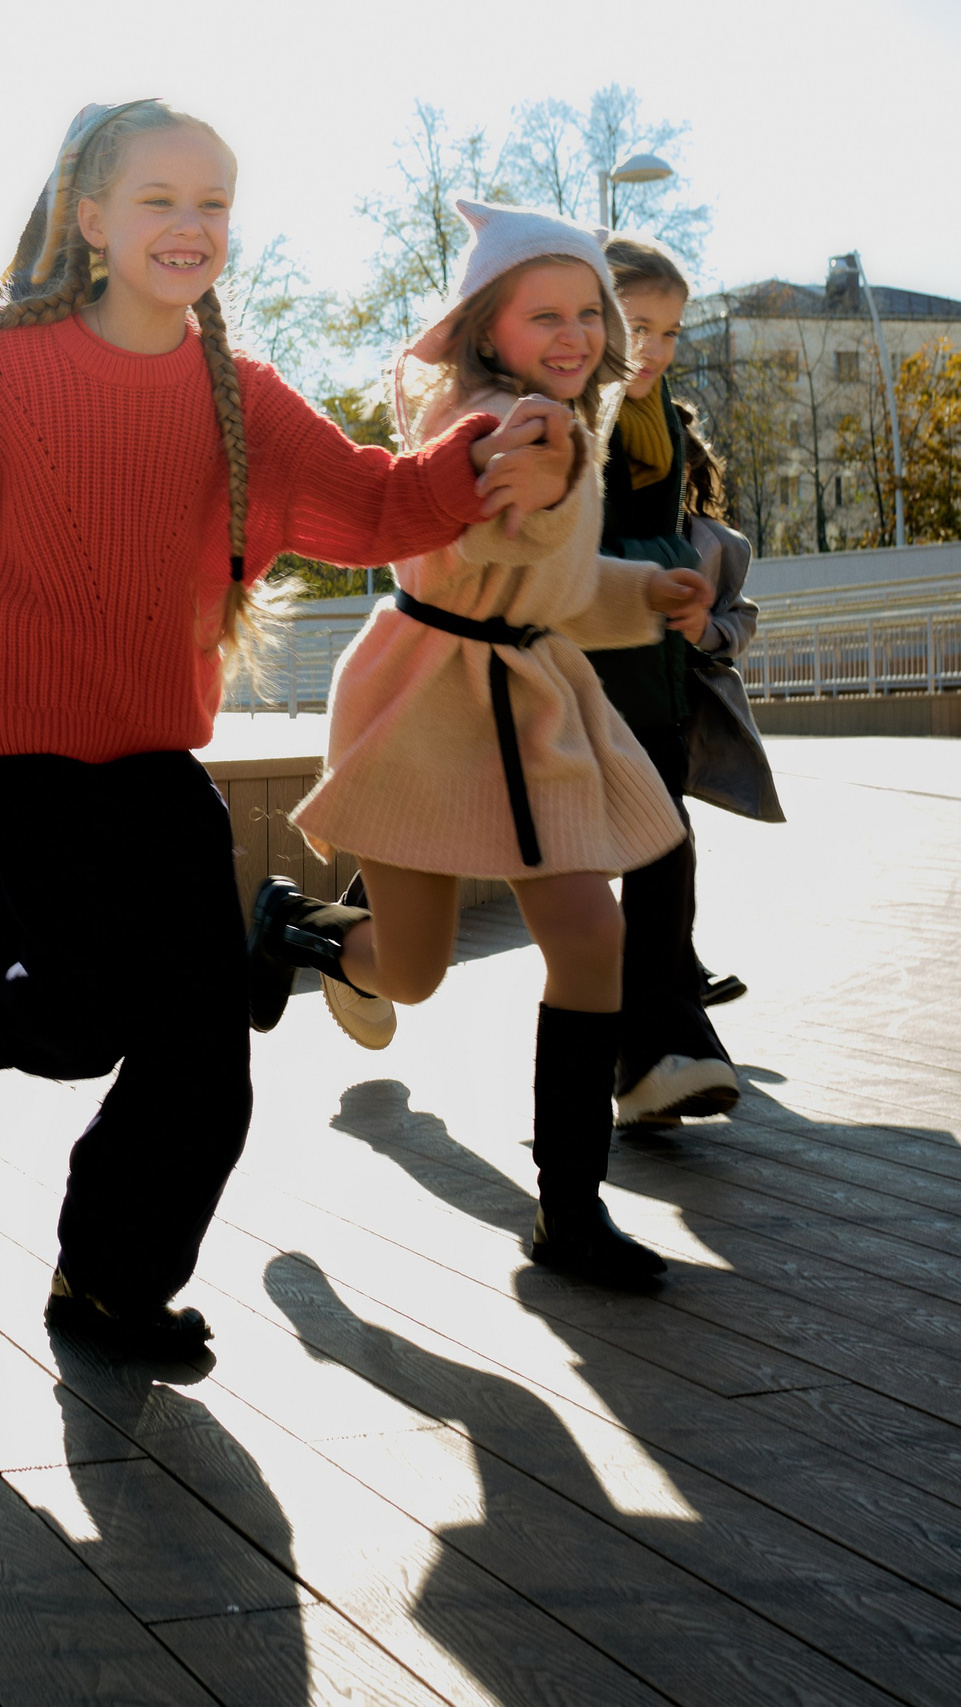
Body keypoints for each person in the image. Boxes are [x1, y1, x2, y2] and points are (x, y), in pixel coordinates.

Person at [0, 105, 572, 1357]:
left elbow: (376, 505)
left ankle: (109, 1283)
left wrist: (484, 455)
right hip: (12, 734)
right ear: (91, 221)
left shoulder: (241, 396)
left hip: (148, 743)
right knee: (87, 1020)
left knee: (203, 1046)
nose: (190, 224)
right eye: (159, 200)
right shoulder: (3, 360)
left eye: (213, 203)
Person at [248, 200, 715, 1289]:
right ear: (483, 329)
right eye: (543, 315)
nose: (574, 334)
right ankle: (300, 929)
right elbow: (468, 559)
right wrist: (537, 480)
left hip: (530, 705)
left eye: (588, 312)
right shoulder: (480, 424)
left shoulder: (566, 427)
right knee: (411, 973)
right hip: (425, 704)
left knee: (588, 935)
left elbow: (551, 589)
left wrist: (646, 591)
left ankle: (570, 1210)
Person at [591, 236, 778, 1125]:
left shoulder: (659, 416)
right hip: (576, 683)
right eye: (638, 327)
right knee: (456, 862)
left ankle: (656, 1053)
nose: (657, 349)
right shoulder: (568, 413)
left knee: (665, 851)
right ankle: (328, 932)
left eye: (670, 331)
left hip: (651, 684)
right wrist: (665, 569)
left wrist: (694, 605)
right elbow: (563, 555)